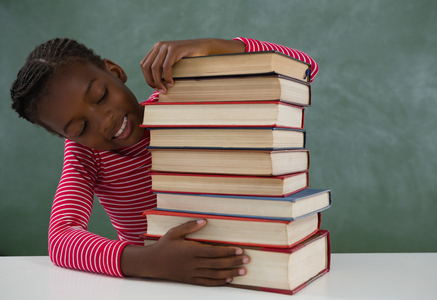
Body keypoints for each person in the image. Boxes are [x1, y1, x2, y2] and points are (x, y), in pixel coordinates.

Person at [10, 36, 318, 286]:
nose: (103, 121)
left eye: (101, 95)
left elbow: (306, 69)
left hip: (253, 271)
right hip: (159, 285)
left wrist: (217, 48)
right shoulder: (87, 155)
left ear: (115, 72)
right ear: (70, 139)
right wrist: (147, 261)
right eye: (80, 128)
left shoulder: (183, 102)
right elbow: (62, 240)